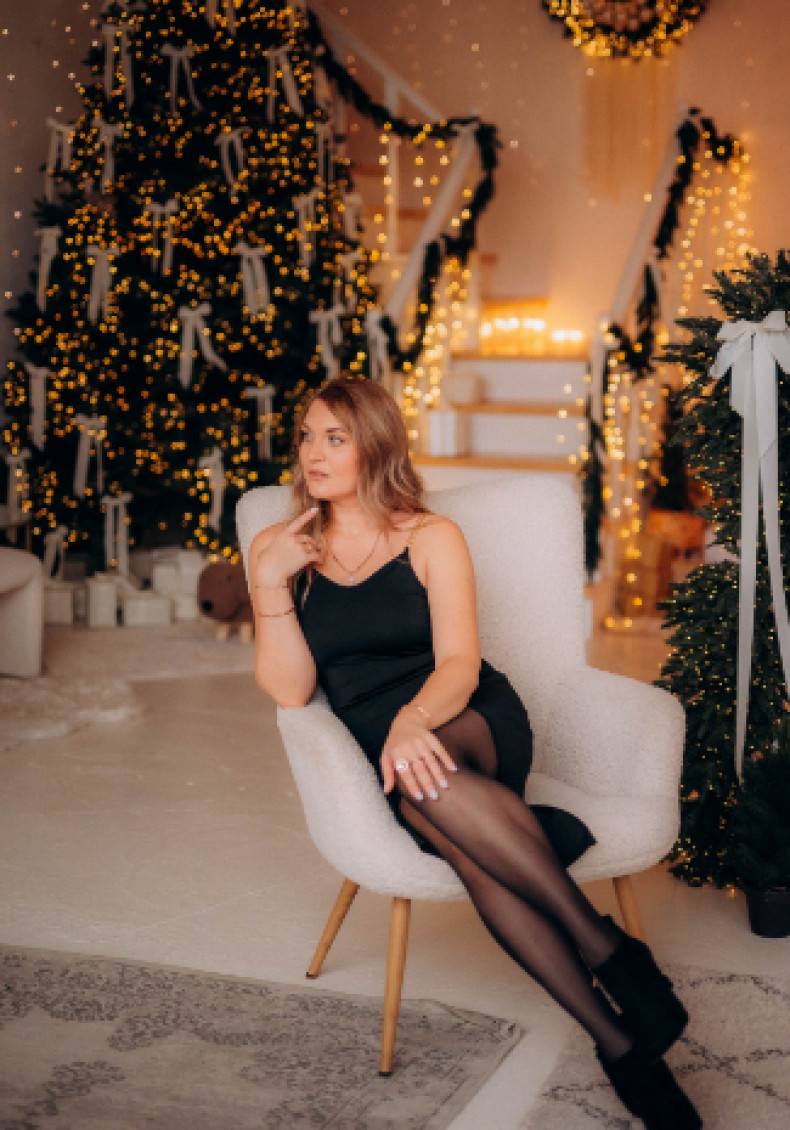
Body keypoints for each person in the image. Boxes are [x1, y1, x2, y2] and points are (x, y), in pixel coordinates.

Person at [248, 376, 701, 1130]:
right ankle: (619, 1037)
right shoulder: (281, 547)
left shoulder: (431, 536)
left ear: (375, 446)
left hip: (465, 714)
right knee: (466, 846)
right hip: (381, 739)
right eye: (306, 436)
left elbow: (460, 662)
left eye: (335, 437)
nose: (313, 453)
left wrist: (413, 719)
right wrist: (268, 583)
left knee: (426, 778)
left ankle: (604, 949)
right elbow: (292, 691)